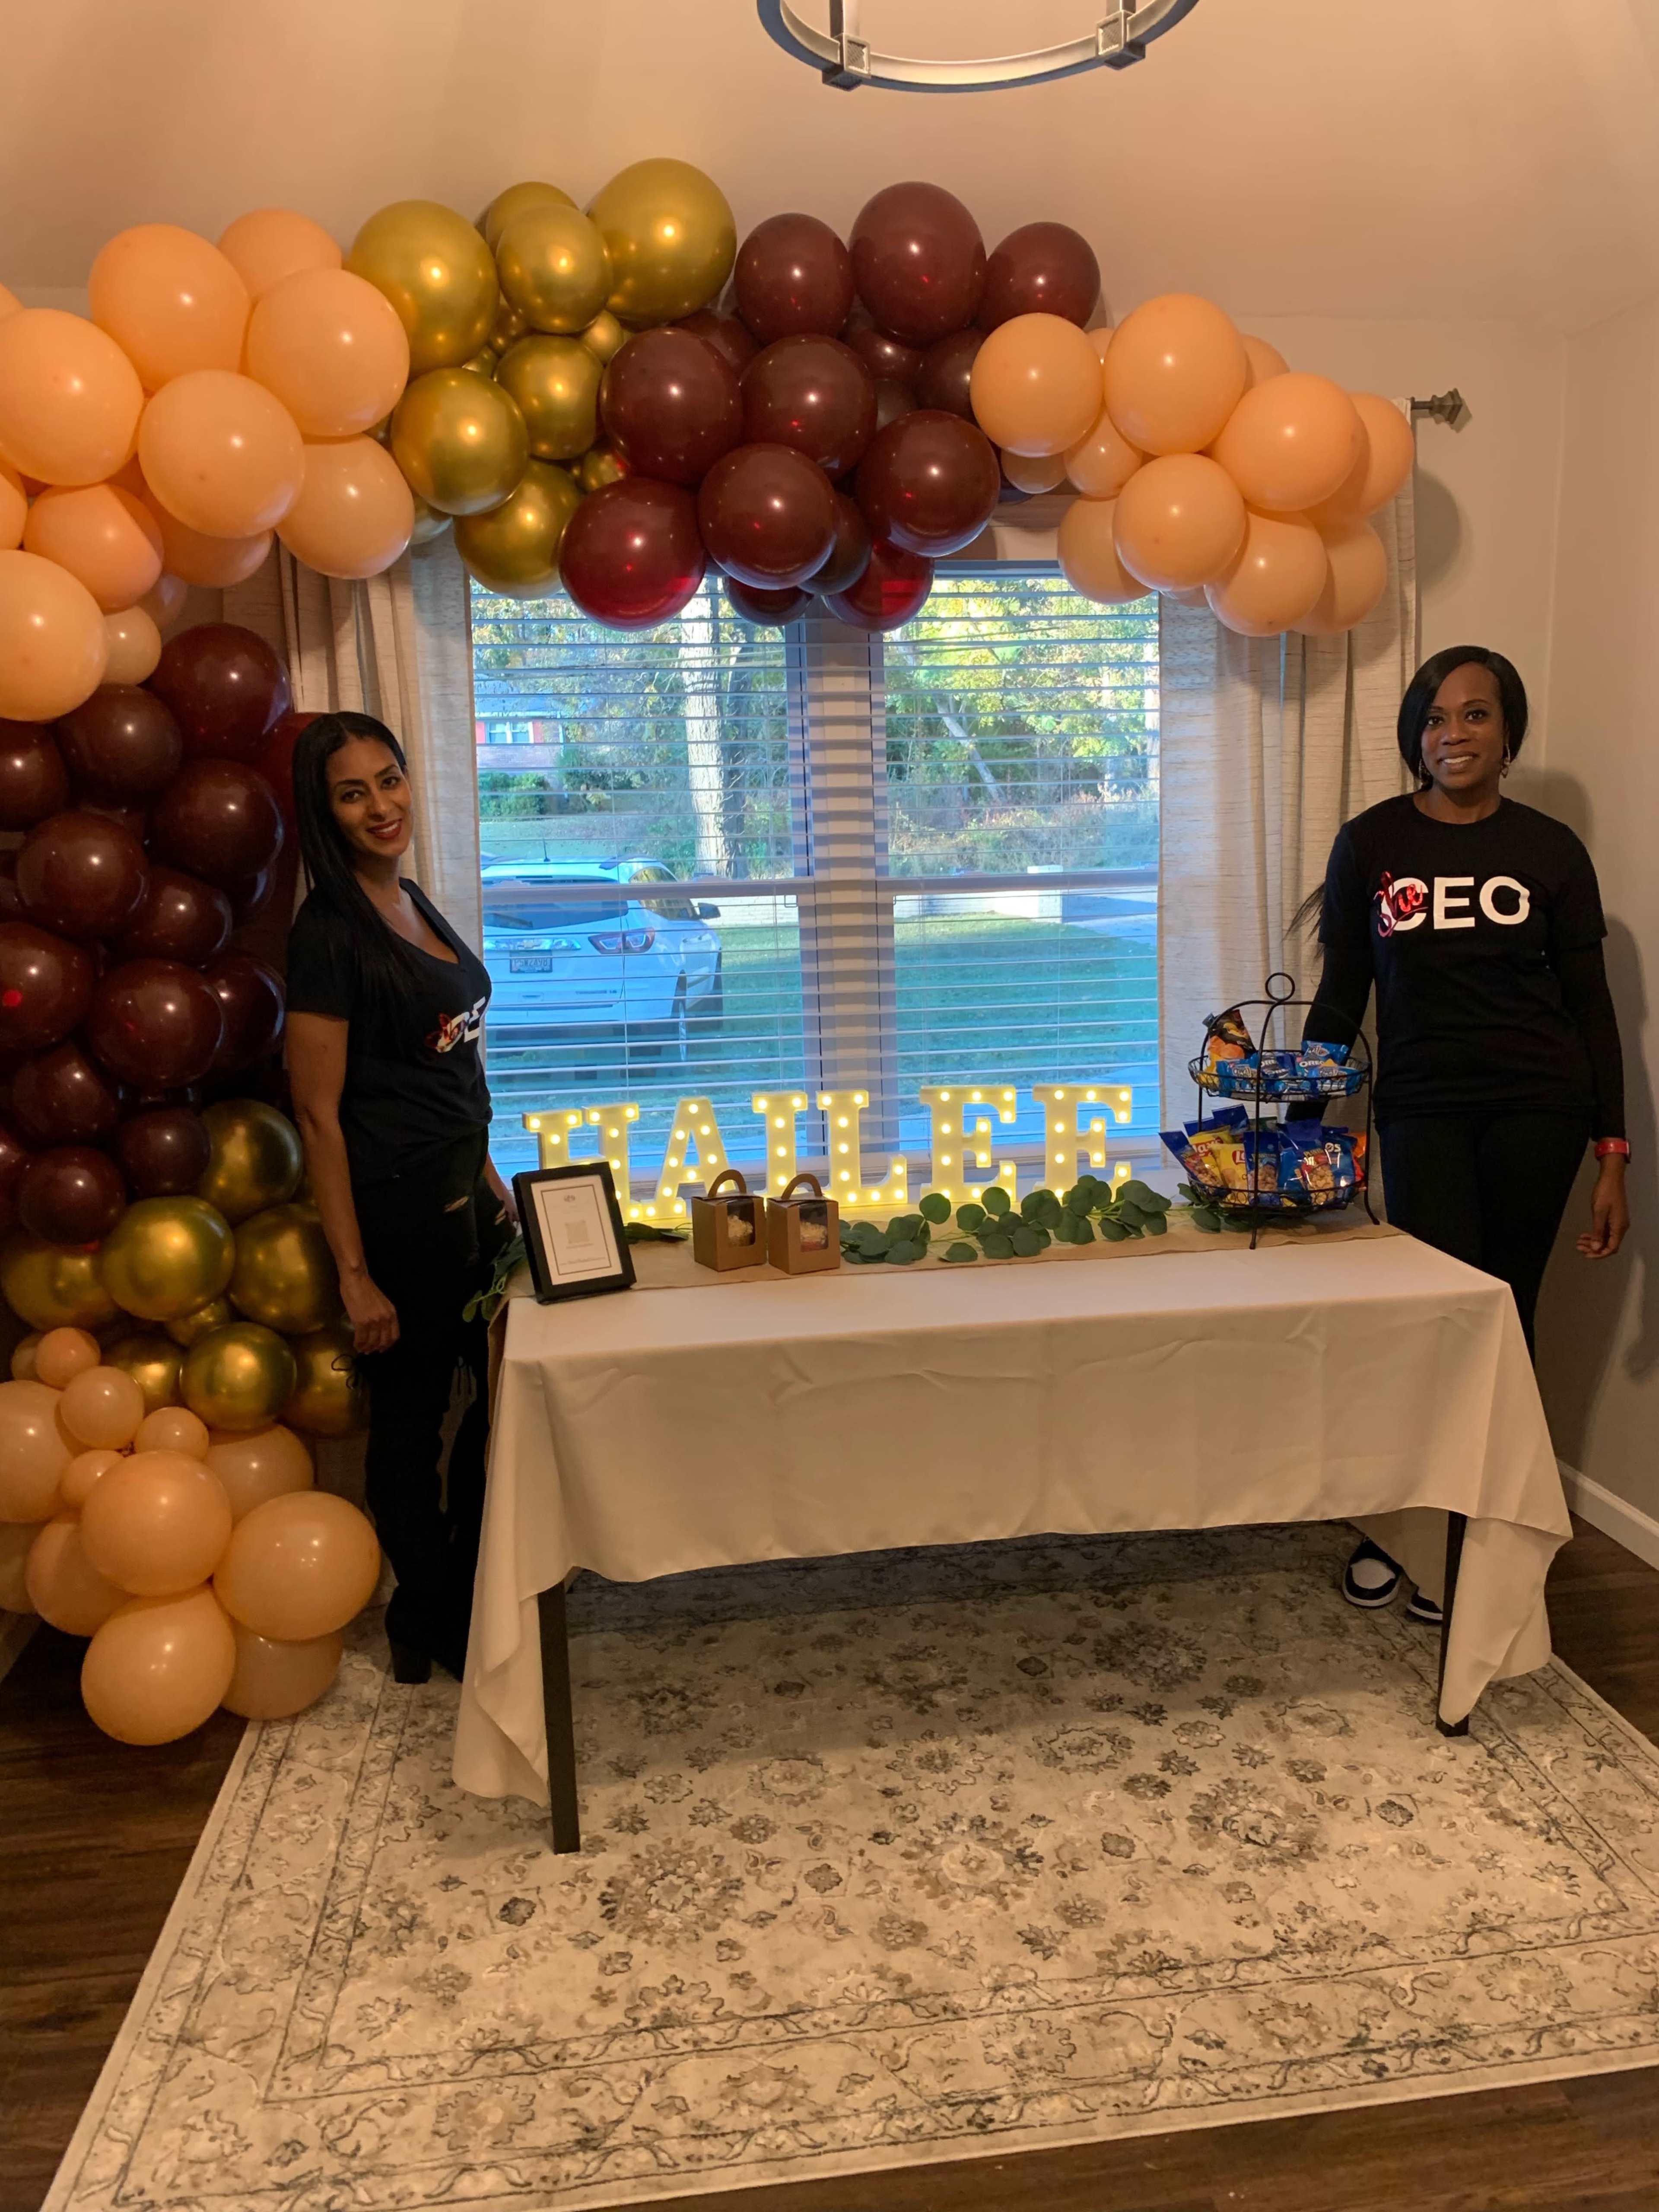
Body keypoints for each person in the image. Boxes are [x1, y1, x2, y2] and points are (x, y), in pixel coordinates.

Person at [1300, 645, 1629, 1621]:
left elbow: (1594, 1009)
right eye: (1438, 718)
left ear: (1508, 733)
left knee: (1506, 1320)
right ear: (1416, 735)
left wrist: (1613, 1153)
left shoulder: (1552, 851)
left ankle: (1480, 1542)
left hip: (1540, 1109)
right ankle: (1401, 1527)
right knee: (1434, 1320)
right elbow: (1339, 1001)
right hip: (1423, 1110)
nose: (1456, 734)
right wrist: (1294, 1145)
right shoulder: (1371, 844)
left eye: (1477, 715)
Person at [285, 711, 515, 1684]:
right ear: (325, 812)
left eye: (391, 779)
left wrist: (493, 1177)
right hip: (397, 1213)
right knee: (414, 1420)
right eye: (354, 792)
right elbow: (319, 1113)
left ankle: (461, 1584)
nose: (383, 805)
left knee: (505, 1398)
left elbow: (451, 1065)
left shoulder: (409, 894)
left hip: (467, 1195)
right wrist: (354, 1274)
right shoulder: (329, 931)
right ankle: (427, 1614)